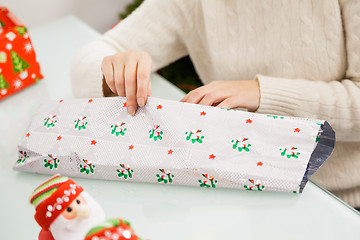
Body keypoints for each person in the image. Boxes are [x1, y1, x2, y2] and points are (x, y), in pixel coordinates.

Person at [71, 0, 360, 209]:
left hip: (343, 199)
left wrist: (261, 93)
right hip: (243, 188)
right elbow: (92, 56)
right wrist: (114, 70)